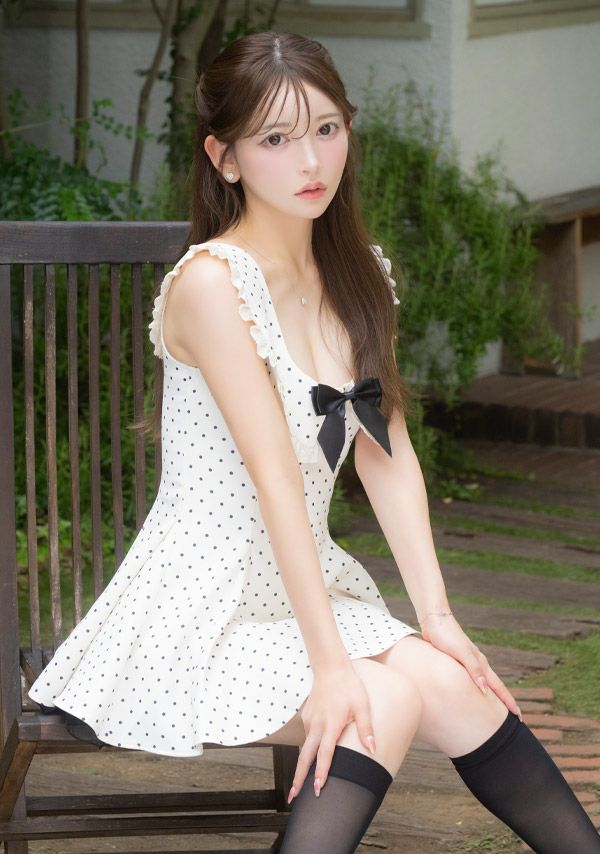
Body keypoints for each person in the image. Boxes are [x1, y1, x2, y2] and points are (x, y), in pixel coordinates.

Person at [28, 30, 599, 854]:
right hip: (198, 611)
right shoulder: (212, 285)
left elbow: (386, 452)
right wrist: (332, 668)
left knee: (457, 686)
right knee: (380, 702)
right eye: (276, 139)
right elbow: (276, 480)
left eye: (327, 129)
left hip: (299, 595)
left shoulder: (358, 274)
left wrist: (438, 617)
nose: (310, 162)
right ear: (224, 158)